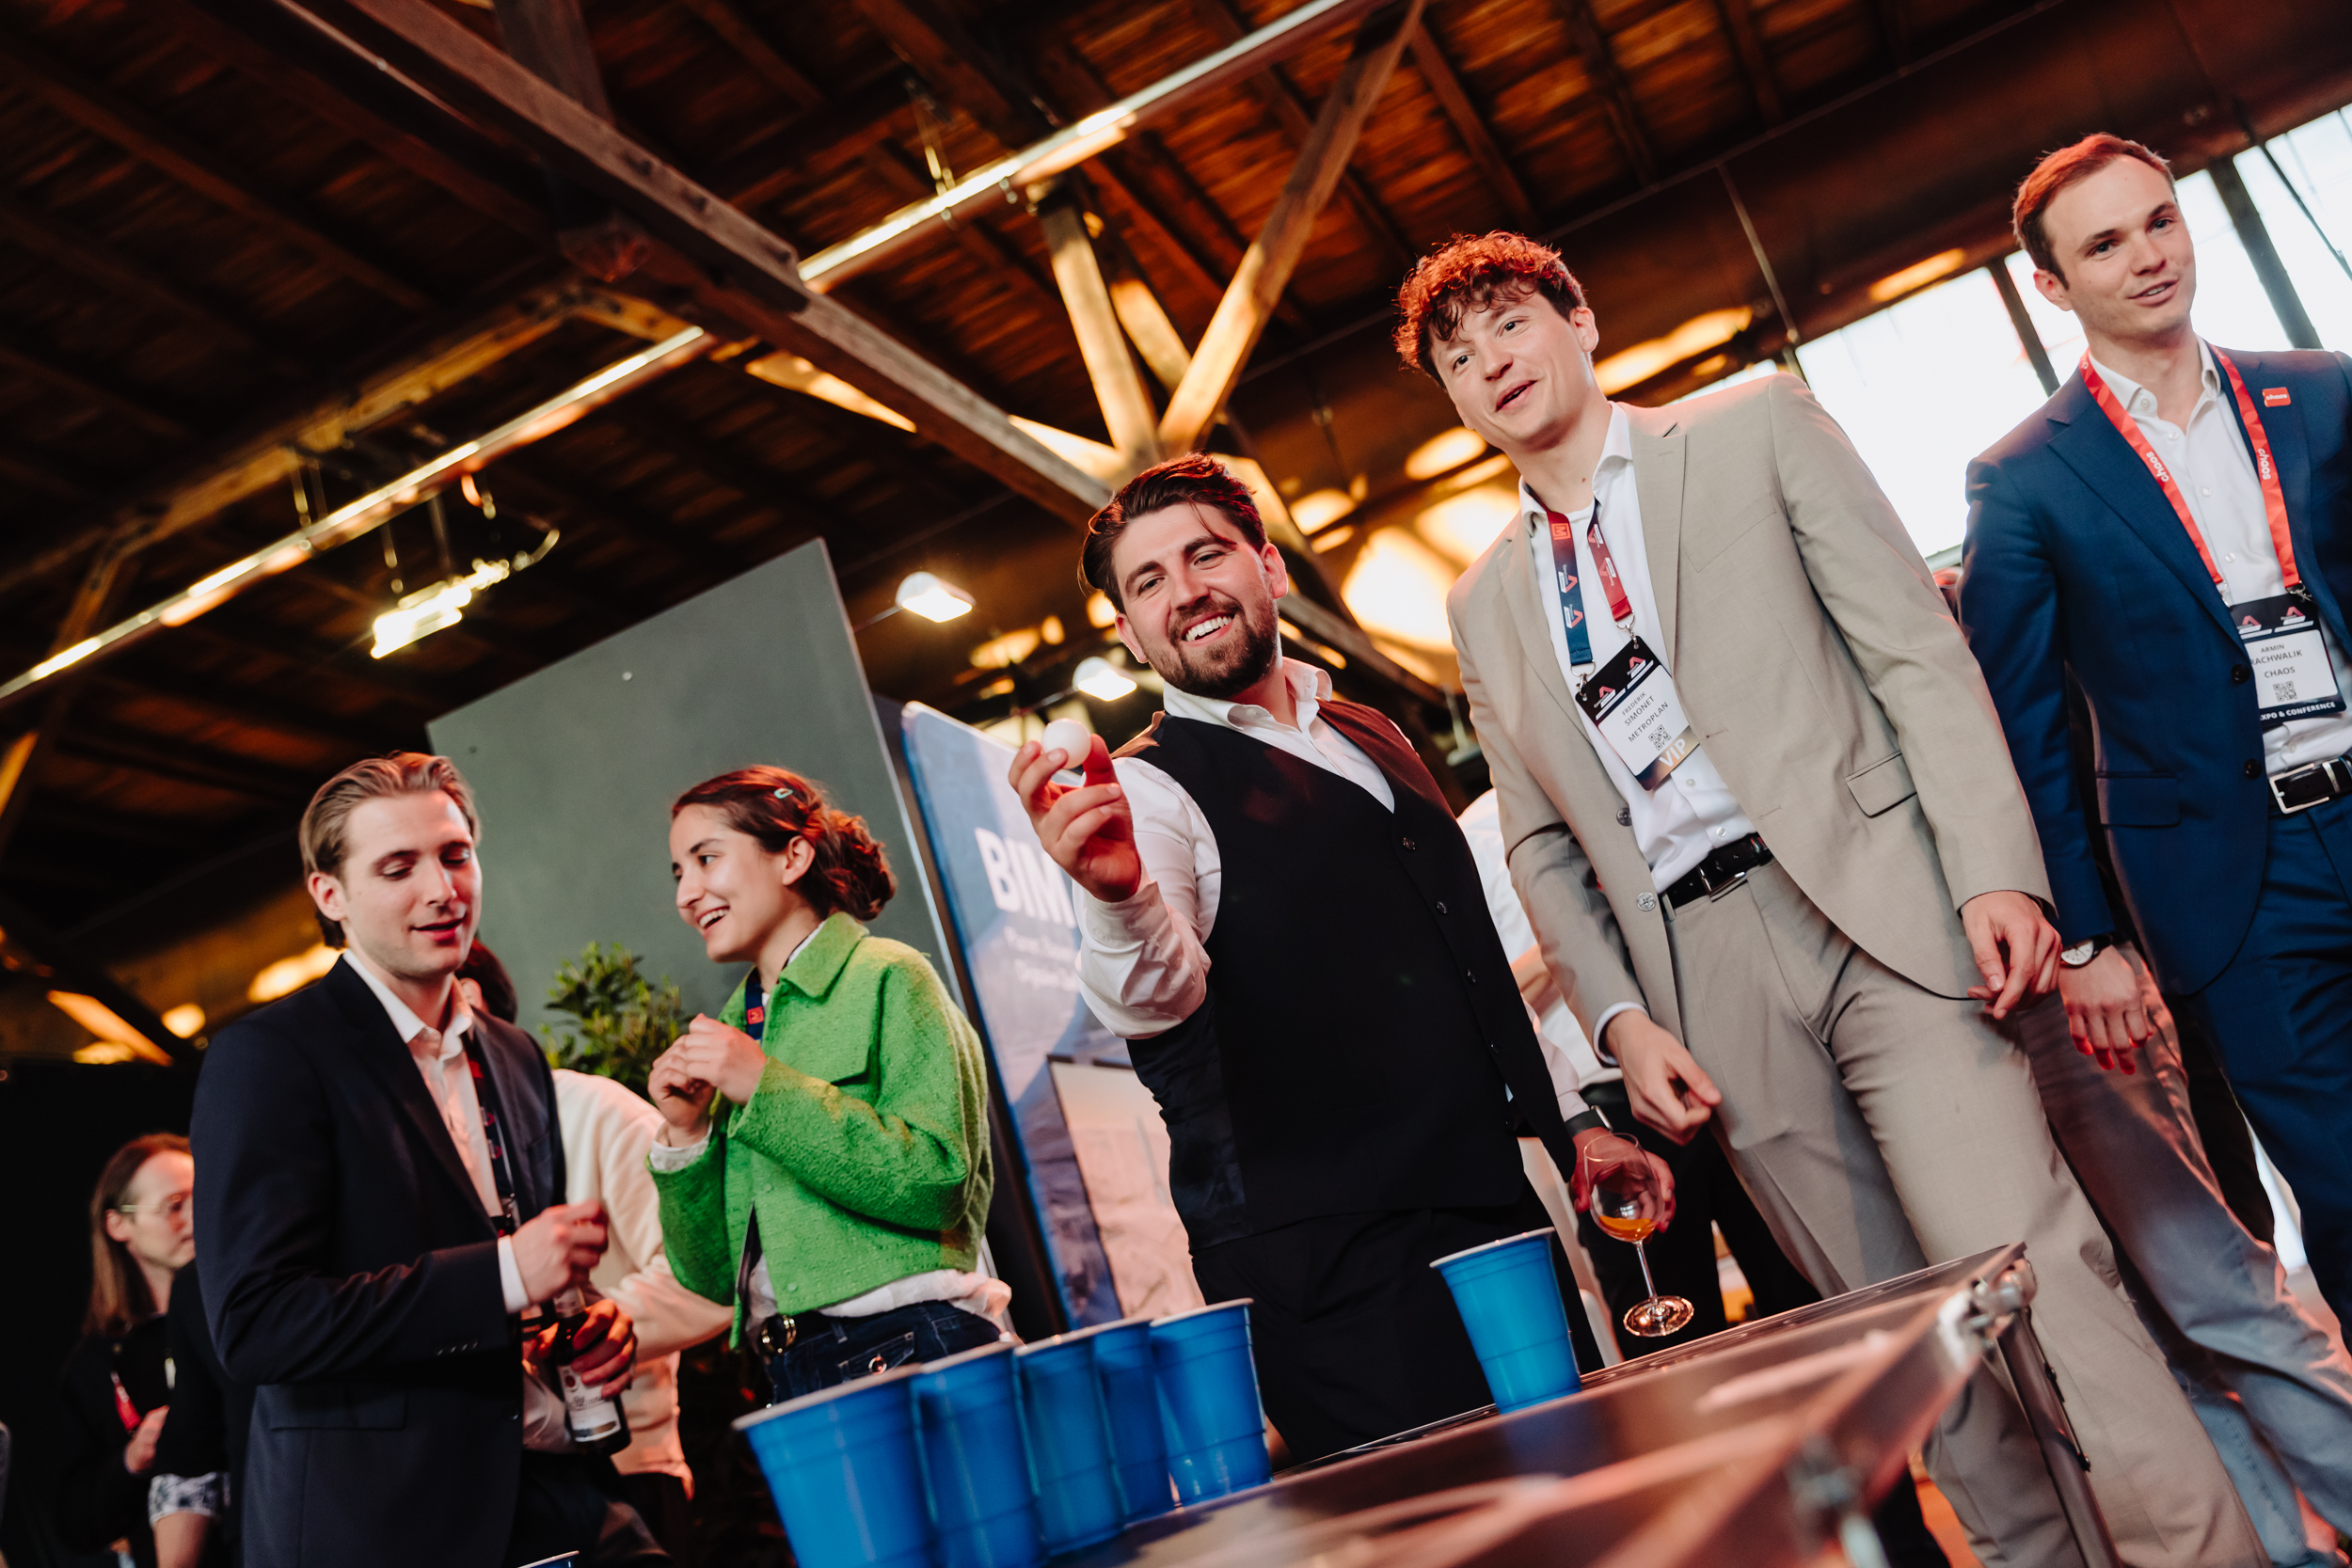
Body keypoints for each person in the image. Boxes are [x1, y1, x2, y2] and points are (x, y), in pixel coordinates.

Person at [1413, 230, 2262, 1566]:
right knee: (1896, 1345)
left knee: (2031, 1267)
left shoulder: (1752, 426)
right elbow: (1537, 843)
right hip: (1705, 976)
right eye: (1459, 358)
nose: (1490, 363)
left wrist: (1993, 868)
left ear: (1579, 318)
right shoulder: (1486, 597)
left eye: (1509, 322)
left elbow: (1914, 652)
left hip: (1885, 913)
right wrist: (1622, 1017)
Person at [1009, 453, 1672, 1464]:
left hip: (1491, 1211)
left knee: (1591, 1482)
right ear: (1130, 632)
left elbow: (1465, 963)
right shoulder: (1146, 790)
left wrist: (1572, 1121)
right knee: (1440, 1522)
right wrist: (1118, 895)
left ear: (1269, 567)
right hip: (1323, 1263)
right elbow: (1156, 1001)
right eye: (1147, 581)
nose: (1185, 590)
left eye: (1206, 555)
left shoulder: (1372, 731)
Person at [1960, 135, 2352, 1562]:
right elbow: (2024, 724)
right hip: (2238, 894)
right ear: (2053, 285)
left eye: (2162, 221)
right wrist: (2084, 932)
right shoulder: (2027, 480)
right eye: (2108, 243)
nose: (2151, 256)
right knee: (2342, 1188)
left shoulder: (2319, 391)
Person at [192, 752, 665, 1568]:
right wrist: (503, 1275)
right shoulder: (271, 1056)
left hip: (555, 1485)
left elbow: (515, 1280)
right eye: (398, 867)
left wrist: (583, 1328)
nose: (442, 889)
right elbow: (256, 1324)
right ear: (330, 894)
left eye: (455, 855)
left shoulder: (512, 1053)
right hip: (382, 1522)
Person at [1462, 787, 1950, 1567]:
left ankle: (1903, 1550)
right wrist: (1574, 948)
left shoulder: (1636, 787)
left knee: (1817, 1322)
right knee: (1672, 1370)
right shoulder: (1483, 835)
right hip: (1611, 1110)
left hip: (1730, 1068)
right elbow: (1489, 991)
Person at [647, 768, 1004, 1404]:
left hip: (912, 1341)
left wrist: (764, 1087)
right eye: (678, 872)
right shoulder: (732, 1031)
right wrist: (686, 1134)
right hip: (788, 1368)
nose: (686, 893)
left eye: (706, 858)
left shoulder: (890, 975)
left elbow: (939, 1180)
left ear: (793, 856)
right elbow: (713, 1278)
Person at [458, 941, 734, 1565]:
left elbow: (706, 1276)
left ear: (470, 1001)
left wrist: (597, 1327)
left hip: (628, 1464)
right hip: (501, 1490)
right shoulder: (433, 1150)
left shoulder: (591, 1108)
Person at [57, 1134, 199, 1568]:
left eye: (202, 1196)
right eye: (174, 1205)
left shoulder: (245, 1318)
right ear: (119, 1225)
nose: (195, 1216)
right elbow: (75, 1523)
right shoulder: (95, 1365)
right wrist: (132, 1459)